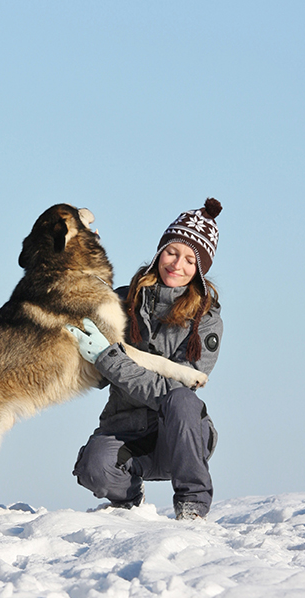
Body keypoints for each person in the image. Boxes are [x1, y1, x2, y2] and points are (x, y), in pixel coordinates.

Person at [68, 198, 223, 520]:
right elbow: (94, 376)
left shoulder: (205, 321)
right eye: (171, 252)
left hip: (179, 437)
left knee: (181, 399)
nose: (176, 265)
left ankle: (193, 503)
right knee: (93, 470)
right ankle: (127, 497)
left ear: (199, 270)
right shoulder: (122, 301)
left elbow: (170, 390)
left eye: (189, 261)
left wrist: (107, 357)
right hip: (125, 429)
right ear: (159, 253)